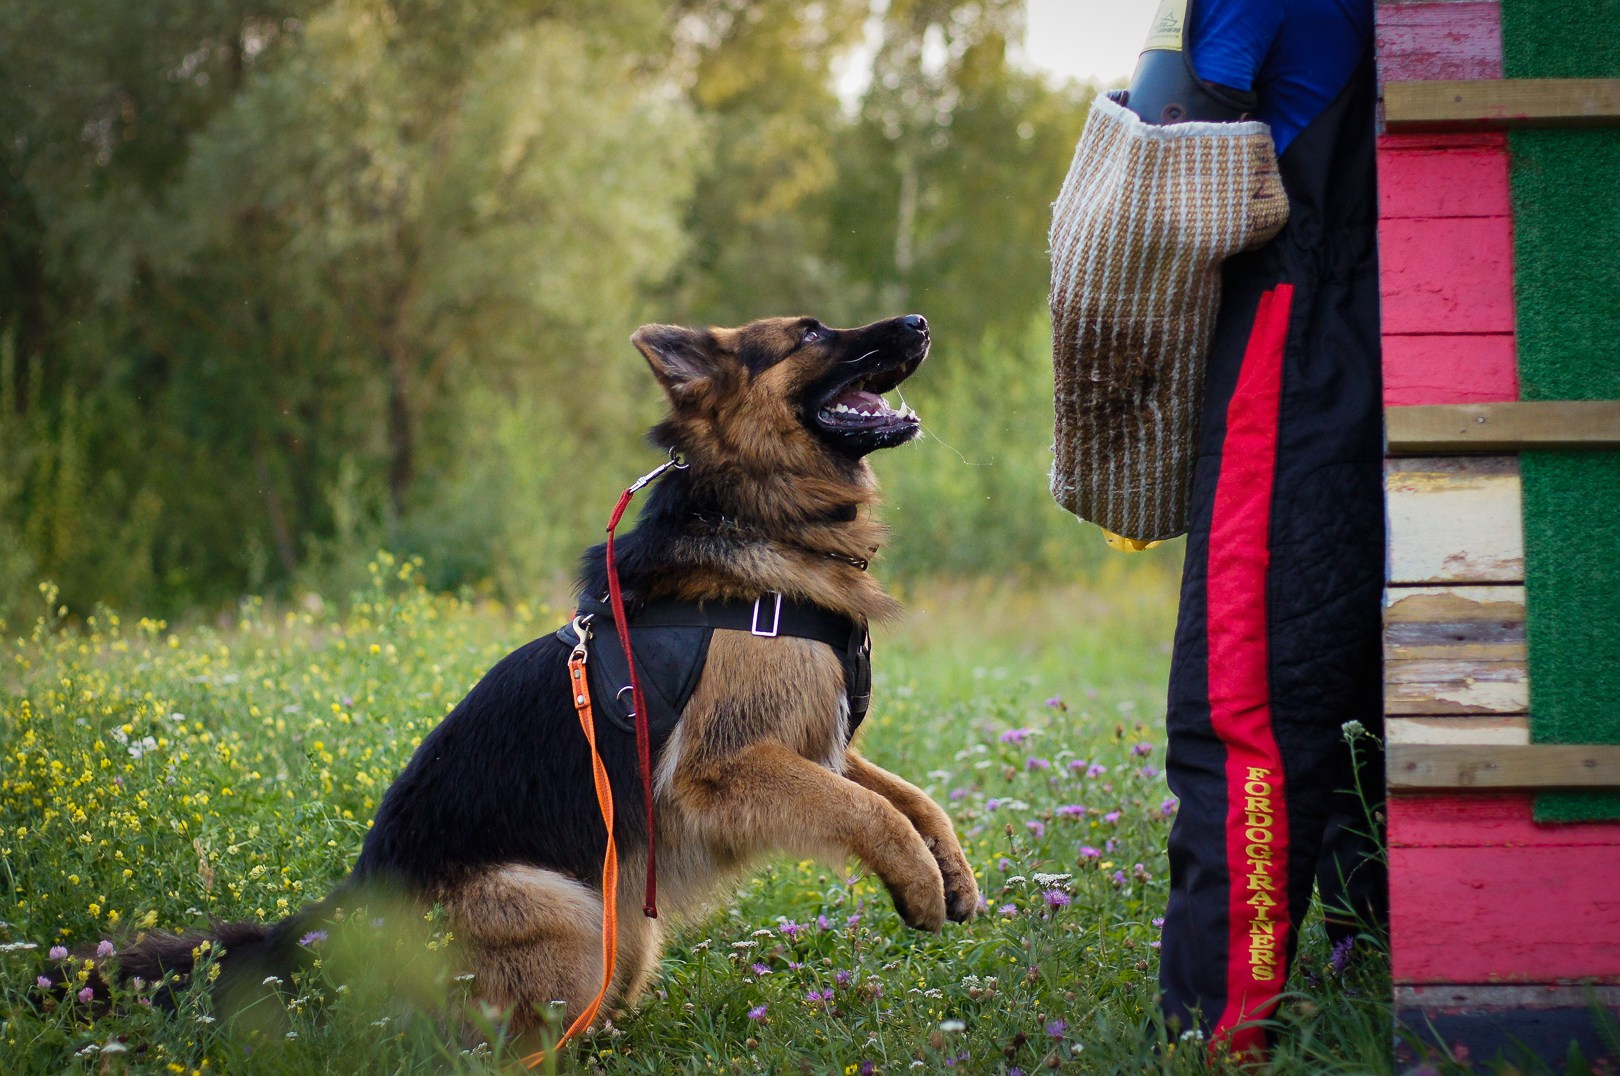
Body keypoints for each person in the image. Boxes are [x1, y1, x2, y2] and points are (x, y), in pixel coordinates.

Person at [1145, 0, 1388, 1056]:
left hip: (1290, 349)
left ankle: (1216, 1032)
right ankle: (1368, 962)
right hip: (1426, 346)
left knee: (1244, 703)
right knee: (1391, 670)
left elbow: (1160, 147)